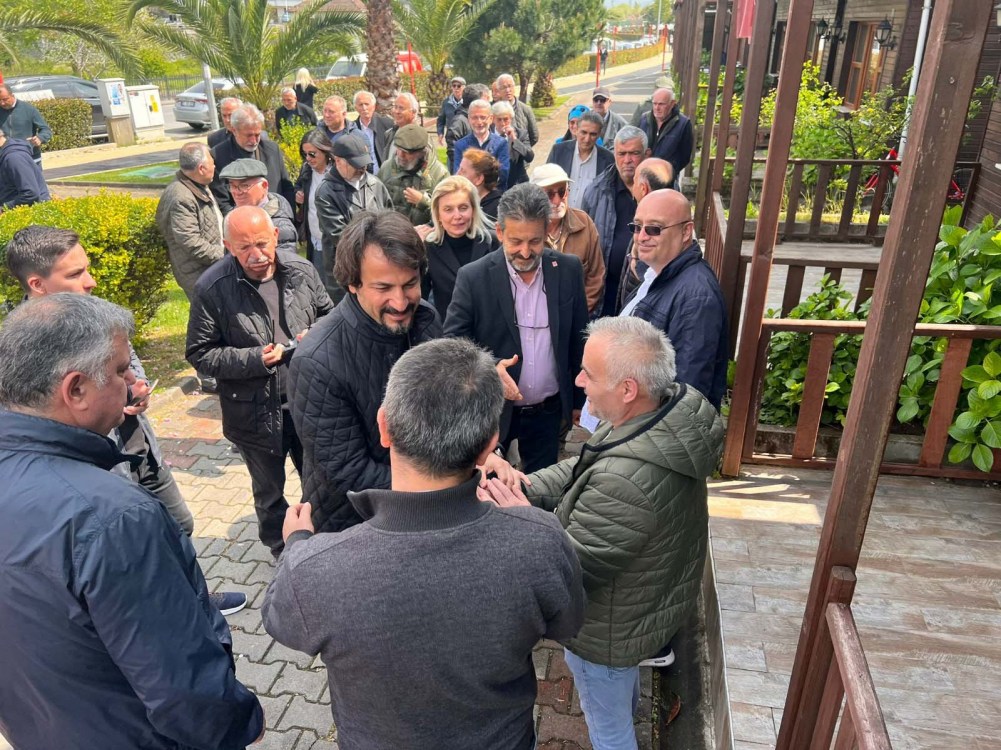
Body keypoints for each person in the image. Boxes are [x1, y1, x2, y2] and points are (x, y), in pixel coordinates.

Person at [264, 337, 585, 750]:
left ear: (384, 427)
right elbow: (568, 624)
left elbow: (282, 621)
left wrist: (296, 544)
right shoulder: (540, 541)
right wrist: (528, 523)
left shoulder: (314, 567)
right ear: (490, 445)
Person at [0, 293, 263, 750]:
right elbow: (183, 687)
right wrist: (240, 724)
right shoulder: (113, 518)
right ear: (76, 389)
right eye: (122, 370)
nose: (133, 382)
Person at [480, 316, 725, 750]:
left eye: (588, 374)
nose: (578, 381)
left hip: (605, 632)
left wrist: (520, 516)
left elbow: (568, 569)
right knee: (619, 701)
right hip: (639, 607)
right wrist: (523, 484)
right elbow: (584, 468)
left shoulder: (626, 481)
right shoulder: (656, 416)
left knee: (610, 732)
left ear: (627, 388)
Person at [5, 225, 247, 614]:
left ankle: (196, 598)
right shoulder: (23, 348)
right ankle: (171, 611)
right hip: (100, 471)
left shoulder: (94, 311)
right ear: (37, 284)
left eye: (87, 268)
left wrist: (137, 387)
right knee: (136, 550)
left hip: (138, 446)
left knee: (178, 525)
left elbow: (128, 360)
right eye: (75, 274)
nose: (91, 281)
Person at [186, 206, 333, 558]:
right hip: (253, 411)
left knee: (319, 481)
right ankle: (281, 550)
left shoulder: (301, 270)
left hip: (306, 401)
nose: (257, 255)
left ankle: (323, 539)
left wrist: (315, 334)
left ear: (276, 236)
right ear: (228, 246)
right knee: (269, 492)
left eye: (262, 243)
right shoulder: (212, 287)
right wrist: (254, 359)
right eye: (244, 247)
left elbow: (330, 315)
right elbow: (200, 352)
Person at [288, 210, 443, 534]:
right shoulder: (315, 361)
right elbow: (349, 471)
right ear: (352, 284)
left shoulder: (426, 320)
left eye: (410, 284)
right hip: (354, 525)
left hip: (422, 510)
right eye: (383, 287)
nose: (400, 302)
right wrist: (441, 484)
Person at [444, 183, 588, 473]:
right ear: (500, 232)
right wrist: (490, 367)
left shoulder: (568, 270)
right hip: (494, 412)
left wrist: (578, 401)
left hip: (548, 412)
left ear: (546, 231)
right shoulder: (473, 277)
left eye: (534, 241)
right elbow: (452, 345)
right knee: (490, 485)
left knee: (541, 486)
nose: (525, 252)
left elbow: (578, 337)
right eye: (516, 241)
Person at [622, 189, 728, 408]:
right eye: (637, 227)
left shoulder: (696, 297)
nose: (642, 237)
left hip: (654, 423)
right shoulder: (657, 272)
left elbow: (687, 392)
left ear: (686, 231)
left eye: (654, 229)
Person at [314, 133, 393, 300]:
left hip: (379, 268)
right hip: (345, 273)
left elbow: (391, 221)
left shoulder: (375, 184)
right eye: (356, 164)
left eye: (364, 163)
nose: (362, 168)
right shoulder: (326, 192)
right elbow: (341, 236)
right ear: (338, 161)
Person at [581, 126, 650, 315]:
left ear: (646, 154)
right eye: (622, 154)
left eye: (634, 153)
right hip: (606, 293)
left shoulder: (661, 190)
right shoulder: (596, 191)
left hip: (645, 291)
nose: (627, 160)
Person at [419, 175, 499, 320]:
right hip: (449, 329)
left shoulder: (493, 243)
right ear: (438, 214)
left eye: (463, 208)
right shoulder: (428, 249)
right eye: (448, 209)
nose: (457, 216)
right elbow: (421, 298)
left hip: (490, 327)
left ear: (473, 210)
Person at [530, 163, 606, 316]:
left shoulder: (584, 222)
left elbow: (596, 276)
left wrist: (576, 314)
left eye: (562, 192)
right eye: (549, 194)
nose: (557, 201)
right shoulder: (525, 229)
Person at [156, 142, 224, 302]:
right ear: (201, 168)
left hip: (210, 270)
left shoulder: (195, 185)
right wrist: (226, 254)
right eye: (212, 163)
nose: (215, 166)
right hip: (199, 276)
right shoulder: (182, 197)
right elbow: (190, 242)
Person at [211, 103, 294, 212]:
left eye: (257, 135)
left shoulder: (272, 150)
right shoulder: (218, 155)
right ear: (234, 131)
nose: (254, 141)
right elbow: (222, 202)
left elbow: (287, 188)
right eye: (249, 135)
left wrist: (287, 216)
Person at [617, 157, 675, 309]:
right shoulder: (672, 219)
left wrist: (635, 259)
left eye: (634, 181)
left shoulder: (653, 228)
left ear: (643, 188)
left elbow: (645, 276)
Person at [219, 158, 298, 253]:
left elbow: (284, 261)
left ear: (264, 186)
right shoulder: (232, 219)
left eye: (244, 186)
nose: (237, 192)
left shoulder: (281, 227)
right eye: (232, 186)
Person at [378, 123, 448, 226]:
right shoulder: (386, 168)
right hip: (392, 232)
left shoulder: (440, 174)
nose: (400, 155)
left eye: (406, 152)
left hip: (425, 234)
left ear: (421, 153)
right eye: (398, 149)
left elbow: (447, 214)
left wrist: (423, 202)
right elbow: (376, 204)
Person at [547, 111, 613, 210]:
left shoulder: (608, 159)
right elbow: (546, 184)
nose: (587, 139)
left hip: (590, 217)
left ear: (599, 134)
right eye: (584, 132)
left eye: (593, 134)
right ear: (576, 130)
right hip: (560, 213)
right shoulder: (558, 151)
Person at [294, 128, 334, 273]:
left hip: (335, 243)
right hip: (315, 240)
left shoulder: (337, 172)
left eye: (312, 154)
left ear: (325, 151)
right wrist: (298, 196)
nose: (308, 158)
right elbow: (298, 187)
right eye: (305, 154)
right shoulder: (306, 169)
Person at [638, 88, 693, 186]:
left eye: (661, 104)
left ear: (672, 104)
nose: (657, 108)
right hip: (643, 176)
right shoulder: (644, 119)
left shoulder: (683, 124)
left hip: (666, 180)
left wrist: (669, 171)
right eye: (654, 104)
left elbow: (685, 156)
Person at [453, 98, 510, 189]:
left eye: (483, 117)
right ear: (469, 119)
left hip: (494, 194)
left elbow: (503, 174)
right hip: (469, 194)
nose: (479, 122)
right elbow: (459, 175)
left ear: (491, 119)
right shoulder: (460, 145)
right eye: (474, 117)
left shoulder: (501, 144)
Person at [0, 82, 52, 165]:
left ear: (12, 95)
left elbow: (46, 129)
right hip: (5, 158)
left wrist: (40, 138)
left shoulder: (29, 109)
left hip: (30, 158)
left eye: (5, 99)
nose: (2, 103)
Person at [0, 129, 49, 210]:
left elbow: (30, 194)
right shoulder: (5, 154)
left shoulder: (14, 158)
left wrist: (3, 209)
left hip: (31, 212)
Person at [492, 100, 534, 186]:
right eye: (499, 119)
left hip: (517, 183)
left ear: (511, 119)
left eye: (506, 119)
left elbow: (529, 157)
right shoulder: (488, 135)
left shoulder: (521, 134)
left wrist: (514, 139)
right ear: (493, 119)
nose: (502, 123)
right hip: (495, 184)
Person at [457, 147, 502, 220]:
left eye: (463, 171)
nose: (457, 174)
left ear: (479, 179)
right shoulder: (459, 200)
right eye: (459, 169)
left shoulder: (494, 212)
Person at [353, 89, 393, 170]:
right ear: (356, 108)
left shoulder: (387, 124)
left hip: (385, 173)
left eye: (367, 104)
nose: (364, 108)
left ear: (374, 106)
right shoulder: (352, 129)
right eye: (360, 105)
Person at [495, 73, 539, 146]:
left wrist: (522, 149)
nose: (508, 90)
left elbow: (534, 136)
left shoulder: (526, 110)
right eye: (504, 87)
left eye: (510, 86)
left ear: (514, 87)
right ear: (498, 91)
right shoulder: (494, 111)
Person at [379, 92, 420, 164]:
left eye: (401, 108)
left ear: (413, 112)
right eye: (395, 107)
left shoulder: (421, 138)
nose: (396, 111)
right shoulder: (389, 134)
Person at [437, 74, 466, 151]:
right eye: (454, 86)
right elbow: (441, 120)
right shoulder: (446, 102)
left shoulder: (467, 102)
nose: (456, 88)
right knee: (451, 156)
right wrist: (440, 133)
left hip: (465, 136)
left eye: (459, 86)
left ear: (464, 87)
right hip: (451, 137)